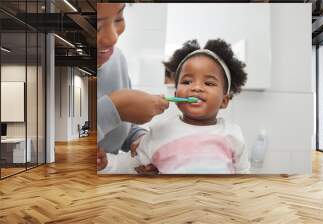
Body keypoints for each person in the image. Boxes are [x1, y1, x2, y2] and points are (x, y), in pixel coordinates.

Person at [133, 39, 250, 174]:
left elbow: (243, 178)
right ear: (176, 95)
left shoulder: (233, 134)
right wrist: (143, 173)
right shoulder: (158, 131)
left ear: (224, 101)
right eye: (187, 81)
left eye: (209, 83)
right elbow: (136, 167)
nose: (196, 88)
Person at [97, 3, 169, 172]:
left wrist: (139, 139)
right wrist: (115, 108)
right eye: (97, 26)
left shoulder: (117, 59)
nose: (112, 38)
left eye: (119, 18)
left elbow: (118, 131)